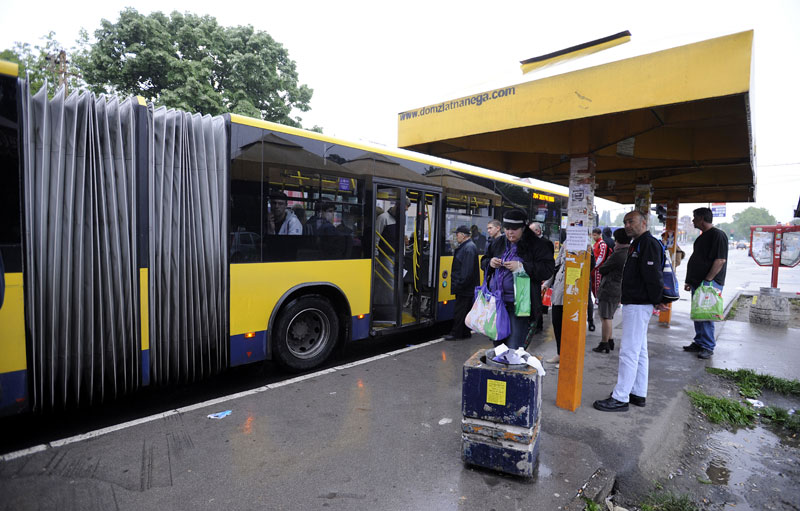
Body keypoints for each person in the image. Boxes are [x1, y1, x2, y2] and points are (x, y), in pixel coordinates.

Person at [593, 210, 668, 412]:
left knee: (628, 352)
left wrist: (657, 299)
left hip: (638, 304)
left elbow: (653, 275)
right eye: (625, 222)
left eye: (631, 221)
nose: (627, 225)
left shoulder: (648, 243)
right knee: (639, 351)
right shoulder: (639, 243)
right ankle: (638, 393)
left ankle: (620, 397)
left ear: (644, 222)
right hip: (637, 303)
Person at [486, 210, 554, 350]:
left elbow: (547, 269)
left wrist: (522, 267)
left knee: (514, 347)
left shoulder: (538, 245)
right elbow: (484, 260)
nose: (510, 232)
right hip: (497, 302)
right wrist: (490, 263)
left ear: (523, 228)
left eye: (514, 229)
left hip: (520, 304)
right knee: (498, 346)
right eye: (507, 228)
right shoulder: (499, 242)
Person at [683, 207, 728, 359]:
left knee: (706, 314)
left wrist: (708, 280)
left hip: (709, 283)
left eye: (694, 217)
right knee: (698, 313)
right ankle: (699, 342)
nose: (693, 220)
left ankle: (708, 346)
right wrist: (690, 280)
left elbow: (720, 260)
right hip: (698, 282)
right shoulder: (702, 237)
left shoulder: (718, 235)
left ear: (702, 218)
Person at [592, 228, 630, 353]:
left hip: (609, 288)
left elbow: (603, 268)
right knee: (609, 316)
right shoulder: (629, 252)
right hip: (618, 287)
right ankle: (610, 339)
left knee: (605, 316)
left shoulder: (618, 254)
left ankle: (604, 343)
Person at [446, 225, 479, 340]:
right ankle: (465, 333)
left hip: (464, 288)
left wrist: (459, 284)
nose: (456, 236)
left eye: (457, 234)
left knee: (460, 311)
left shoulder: (468, 248)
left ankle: (456, 334)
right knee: (465, 311)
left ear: (463, 235)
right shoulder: (468, 247)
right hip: (465, 287)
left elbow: (467, 271)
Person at [542, 230, 567, 367]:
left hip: (570, 294)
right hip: (558, 291)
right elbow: (555, 266)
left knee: (567, 327)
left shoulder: (584, 247)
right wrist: (547, 283)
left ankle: (567, 357)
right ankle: (560, 353)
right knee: (557, 323)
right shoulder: (566, 244)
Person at [528, 222, 554, 335]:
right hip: (532, 274)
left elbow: (548, 261)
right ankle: (532, 323)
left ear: (538, 231)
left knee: (537, 302)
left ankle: (537, 325)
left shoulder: (546, 243)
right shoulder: (530, 242)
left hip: (540, 275)